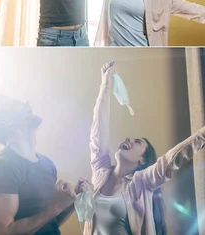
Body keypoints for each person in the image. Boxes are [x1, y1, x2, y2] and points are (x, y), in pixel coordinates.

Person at [86, 62, 205, 234]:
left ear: (143, 159)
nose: (129, 139)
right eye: (132, 139)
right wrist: (105, 85)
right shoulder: (100, 172)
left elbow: (170, 160)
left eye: (138, 142)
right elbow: (98, 131)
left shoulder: (141, 183)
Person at [0, 96, 83, 235]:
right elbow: (3, 233)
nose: (27, 107)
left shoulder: (47, 164)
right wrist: (55, 206)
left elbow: (47, 222)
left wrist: (70, 202)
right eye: (20, 109)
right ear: (8, 124)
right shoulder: (2, 168)